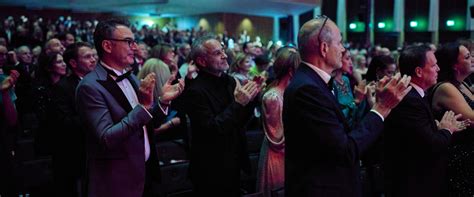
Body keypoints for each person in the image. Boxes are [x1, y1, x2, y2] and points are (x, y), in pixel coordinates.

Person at [283, 16, 412, 197]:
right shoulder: (307, 89)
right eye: (340, 42)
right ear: (324, 48)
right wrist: (381, 108)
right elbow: (344, 150)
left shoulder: (314, 82)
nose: (343, 48)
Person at [75, 18, 184, 197]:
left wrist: (163, 101)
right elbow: (106, 138)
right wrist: (142, 106)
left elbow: (145, 124)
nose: (135, 47)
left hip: (146, 173)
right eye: (128, 42)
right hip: (117, 181)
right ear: (108, 46)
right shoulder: (90, 86)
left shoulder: (131, 77)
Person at [182, 35, 263, 196]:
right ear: (202, 61)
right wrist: (239, 103)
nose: (225, 55)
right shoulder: (195, 91)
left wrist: (251, 100)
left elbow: (239, 122)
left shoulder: (230, 81)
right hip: (210, 166)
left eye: (223, 50)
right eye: (218, 53)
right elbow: (212, 129)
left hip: (233, 159)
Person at [384, 44, 466, 197]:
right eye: (434, 65)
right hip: (414, 183)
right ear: (419, 71)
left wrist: (439, 128)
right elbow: (431, 144)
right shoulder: (411, 101)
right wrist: (447, 129)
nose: (438, 69)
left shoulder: (417, 95)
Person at [50, 42, 96, 197]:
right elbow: (65, 122)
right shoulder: (62, 87)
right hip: (77, 152)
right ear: (73, 63)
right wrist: (96, 118)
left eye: (93, 55)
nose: (93, 60)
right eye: (87, 57)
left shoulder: (98, 82)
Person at [429, 42, 474, 196]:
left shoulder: (463, 85)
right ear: (454, 65)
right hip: (459, 157)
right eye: (468, 57)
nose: (473, 59)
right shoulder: (446, 87)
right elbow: (472, 119)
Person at [256, 46, 299, 196]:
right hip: (278, 158)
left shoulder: (289, 92)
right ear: (290, 70)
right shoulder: (273, 97)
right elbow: (277, 140)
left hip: (289, 155)